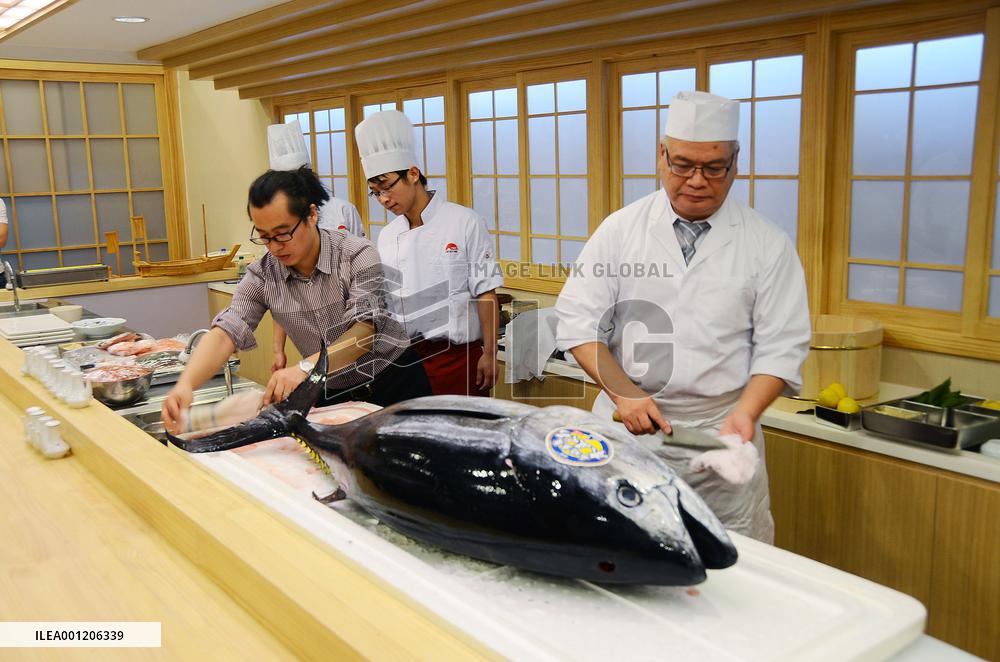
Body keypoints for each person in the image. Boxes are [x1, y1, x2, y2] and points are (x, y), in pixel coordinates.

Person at [554, 91, 811, 543]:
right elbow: (578, 320)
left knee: (728, 556)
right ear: (661, 156)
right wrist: (624, 393)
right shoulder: (620, 230)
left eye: (713, 168)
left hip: (719, 437)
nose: (696, 180)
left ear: (735, 163)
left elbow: (782, 345)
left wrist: (746, 415)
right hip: (626, 430)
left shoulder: (766, 243)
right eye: (682, 165)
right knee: (621, 544)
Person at [161, 166, 431, 435]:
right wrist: (186, 384)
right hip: (331, 393)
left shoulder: (356, 254)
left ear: (312, 215)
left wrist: (303, 368)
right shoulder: (264, 274)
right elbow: (226, 331)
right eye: (265, 237)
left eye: (283, 233)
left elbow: (364, 331)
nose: (275, 246)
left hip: (394, 384)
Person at [355, 110, 503, 396]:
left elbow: (486, 292)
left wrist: (490, 353)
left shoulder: (464, 222)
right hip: (404, 359)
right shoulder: (387, 236)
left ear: (412, 174)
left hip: (459, 357)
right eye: (375, 191)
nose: (383, 198)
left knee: (462, 437)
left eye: (387, 186)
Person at [267, 120, 366, 374]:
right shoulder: (276, 223)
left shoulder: (343, 210)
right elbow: (281, 294)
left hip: (355, 333)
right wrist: (278, 349)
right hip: (312, 340)